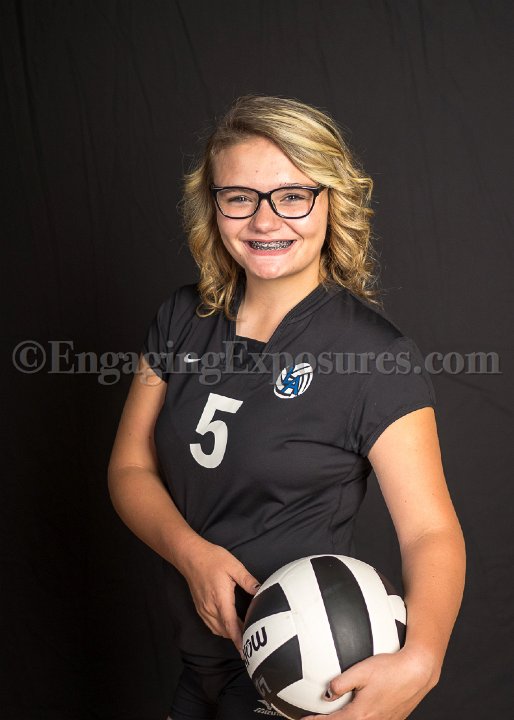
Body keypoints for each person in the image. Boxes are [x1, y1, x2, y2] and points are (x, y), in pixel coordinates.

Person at [108, 95, 465, 720]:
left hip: (295, 684)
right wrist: (192, 555)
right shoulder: (181, 317)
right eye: (239, 197)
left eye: (292, 195)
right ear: (213, 206)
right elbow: (129, 468)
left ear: (331, 200)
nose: (265, 220)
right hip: (197, 670)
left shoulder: (376, 357)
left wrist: (424, 657)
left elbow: (430, 532)